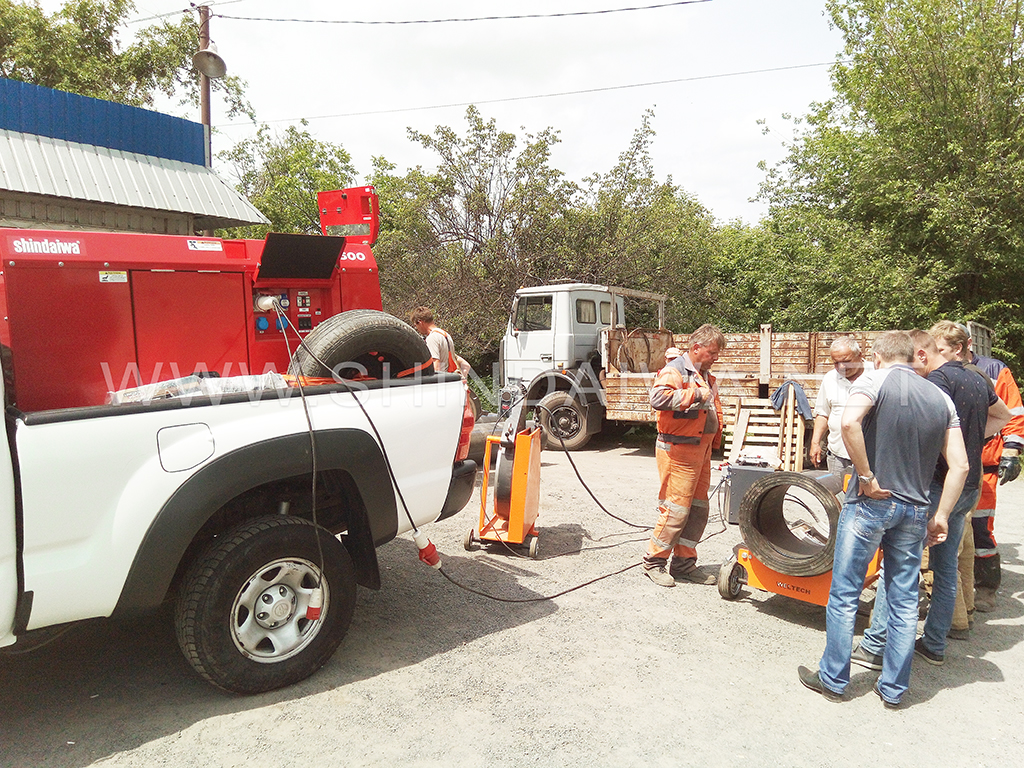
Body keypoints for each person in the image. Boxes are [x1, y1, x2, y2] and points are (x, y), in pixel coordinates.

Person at [798, 331, 968, 708]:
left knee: (844, 593)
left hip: (871, 503)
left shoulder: (873, 379)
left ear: (876, 356)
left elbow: (849, 423)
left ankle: (834, 679)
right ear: (914, 356)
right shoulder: (940, 397)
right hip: (916, 508)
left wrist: (866, 476)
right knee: (905, 601)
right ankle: (893, 688)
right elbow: (961, 464)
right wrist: (940, 516)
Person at [853, 327, 1008, 674]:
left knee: (899, 564)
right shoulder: (979, 377)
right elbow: (1005, 416)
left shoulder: (935, 383)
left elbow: (915, 427)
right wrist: (969, 436)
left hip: (938, 482)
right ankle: (935, 642)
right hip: (967, 482)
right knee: (946, 563)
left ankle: (876, 645)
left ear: (924, 353)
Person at [644, 324, 726, 587]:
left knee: (698, 509)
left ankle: (684, 564)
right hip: (679, 450)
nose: (716, 357)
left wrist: (714, 441)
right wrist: (695, 394)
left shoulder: (704, 374)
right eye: (712, 352)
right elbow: (658, 398)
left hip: (699, 450)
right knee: (676, 509)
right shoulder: (675, 370)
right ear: (696, 348)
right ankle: (654, 562)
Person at [965, 328, 1024, 612]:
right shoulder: (939, 368)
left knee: (980, 526)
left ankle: (986, 587)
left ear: (966, 344)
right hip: (949, 464)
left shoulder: (993, 370)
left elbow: (1014, 413)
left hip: (984, 463)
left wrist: (1011, 452)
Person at [810, 337, 871, 476]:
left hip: (870, 456)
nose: (841, 367)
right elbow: (823, 413)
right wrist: (815, 443)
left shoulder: (876, 374)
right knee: (837, 496)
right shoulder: (830, 378)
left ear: (860, 355)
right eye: (836, 363)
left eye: (846, 361)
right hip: (838, 456)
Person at [410, 306, 461, 375]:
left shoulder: (432, 338)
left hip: (441, 381)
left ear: (420, 322)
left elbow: (435, 366)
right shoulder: (446, 335)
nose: (417, 329)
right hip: (449, 378)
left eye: (416, 325)